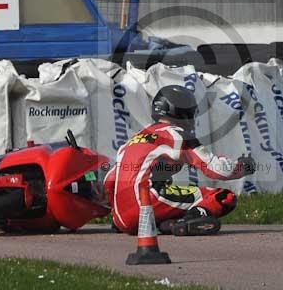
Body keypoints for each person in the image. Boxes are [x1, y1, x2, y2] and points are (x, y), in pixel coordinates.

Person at [104, 85, 255, 236]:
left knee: (166, 188)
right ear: (181, 110)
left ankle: (166, 224)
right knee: (224, 197)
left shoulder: (132, 140)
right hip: (147, 203)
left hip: (122, 219)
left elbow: (109, 181)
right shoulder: (177, 135)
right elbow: (217, 169)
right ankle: (190, 220)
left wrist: (118, 212)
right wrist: (243, 166)